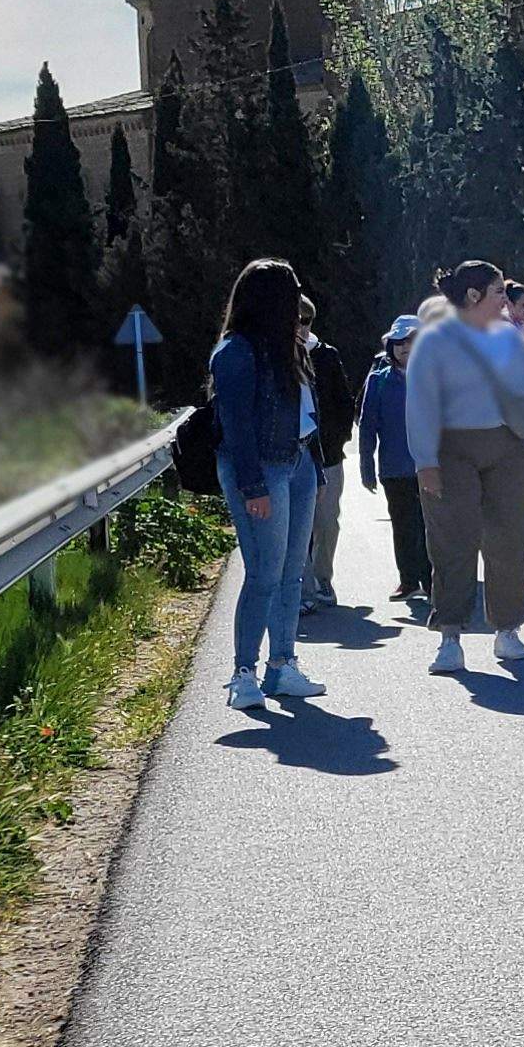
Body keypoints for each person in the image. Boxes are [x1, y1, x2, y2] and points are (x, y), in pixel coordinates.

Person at [407, 259, 524, 673]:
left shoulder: (508, 339)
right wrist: (424, 461)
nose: (505, 301)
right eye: (498, 292)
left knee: (509, 539)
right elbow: (420, 403)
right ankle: (450, 636)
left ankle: (507, 631)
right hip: (450, 449)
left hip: (508, 445)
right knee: (452, 541)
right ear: (474, 295)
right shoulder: (434, 341)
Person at [206, 259, 320, 713]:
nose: (298, 299)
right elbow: (235, 428)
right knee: (264, 574)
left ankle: (282, 664)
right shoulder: (235, 352)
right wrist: (253, 486)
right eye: (291, 291)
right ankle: (243, 672)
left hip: (300, 461)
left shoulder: (288, 346)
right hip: (262, 471)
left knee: (292, 572)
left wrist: (318, 468)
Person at [358, 314, 431, 618]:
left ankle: (432, 580)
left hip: (429, 466)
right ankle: (408, 580)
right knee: (403, 525)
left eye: (411, 341)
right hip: (394, 467)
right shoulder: (378, 380)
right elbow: (367, 425)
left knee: (429, 525)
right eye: (399, 343)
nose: (404, 348)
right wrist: (366, 466)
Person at [299, 298, 360, 613]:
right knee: (300, 526)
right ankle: (302, 587)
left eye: (306, 320)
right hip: (294, 457)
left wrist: (339, 438)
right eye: (294, 319)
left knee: (327, 522)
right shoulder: (276, 354)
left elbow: (344, 400)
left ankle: (323, 579)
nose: (300, 326)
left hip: (328, 455)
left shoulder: (325, 354)